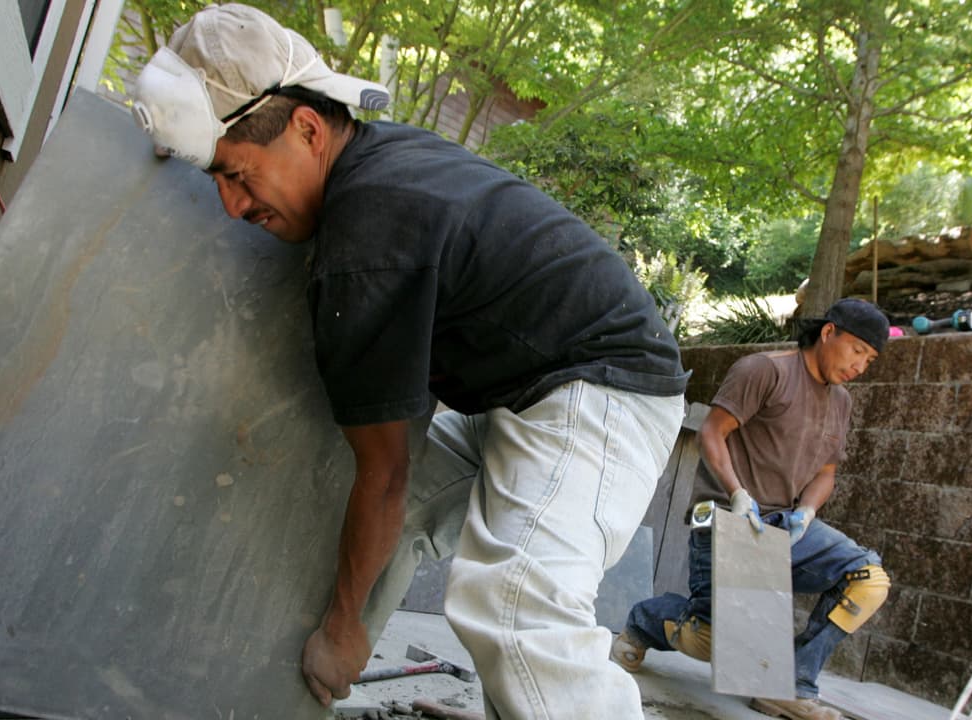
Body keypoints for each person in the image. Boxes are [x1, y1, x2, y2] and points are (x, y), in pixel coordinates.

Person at [129, 5, 688, 719]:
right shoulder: (377, 167)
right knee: (349, 501)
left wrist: (341, 626)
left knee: (514, 606)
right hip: (526, 391)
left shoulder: (367, 235)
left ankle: (347, 649)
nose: (231, 205)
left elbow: (386, 471)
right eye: (215, 178)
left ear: (306, 128)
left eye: (239, 175)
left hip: (598, 390)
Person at [611, 298, 892, 720]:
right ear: (829, 333)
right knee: (717, 642)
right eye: (857, 351)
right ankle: (645, 621)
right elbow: (712, 433)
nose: (860, 366)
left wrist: (808, 512)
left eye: (869, 360)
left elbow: (826, 472)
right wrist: (739, 494)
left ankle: (791, 685)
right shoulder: (764, 370)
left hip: (786, 528)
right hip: (727, 514)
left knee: (868, 579)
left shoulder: (841, 403)